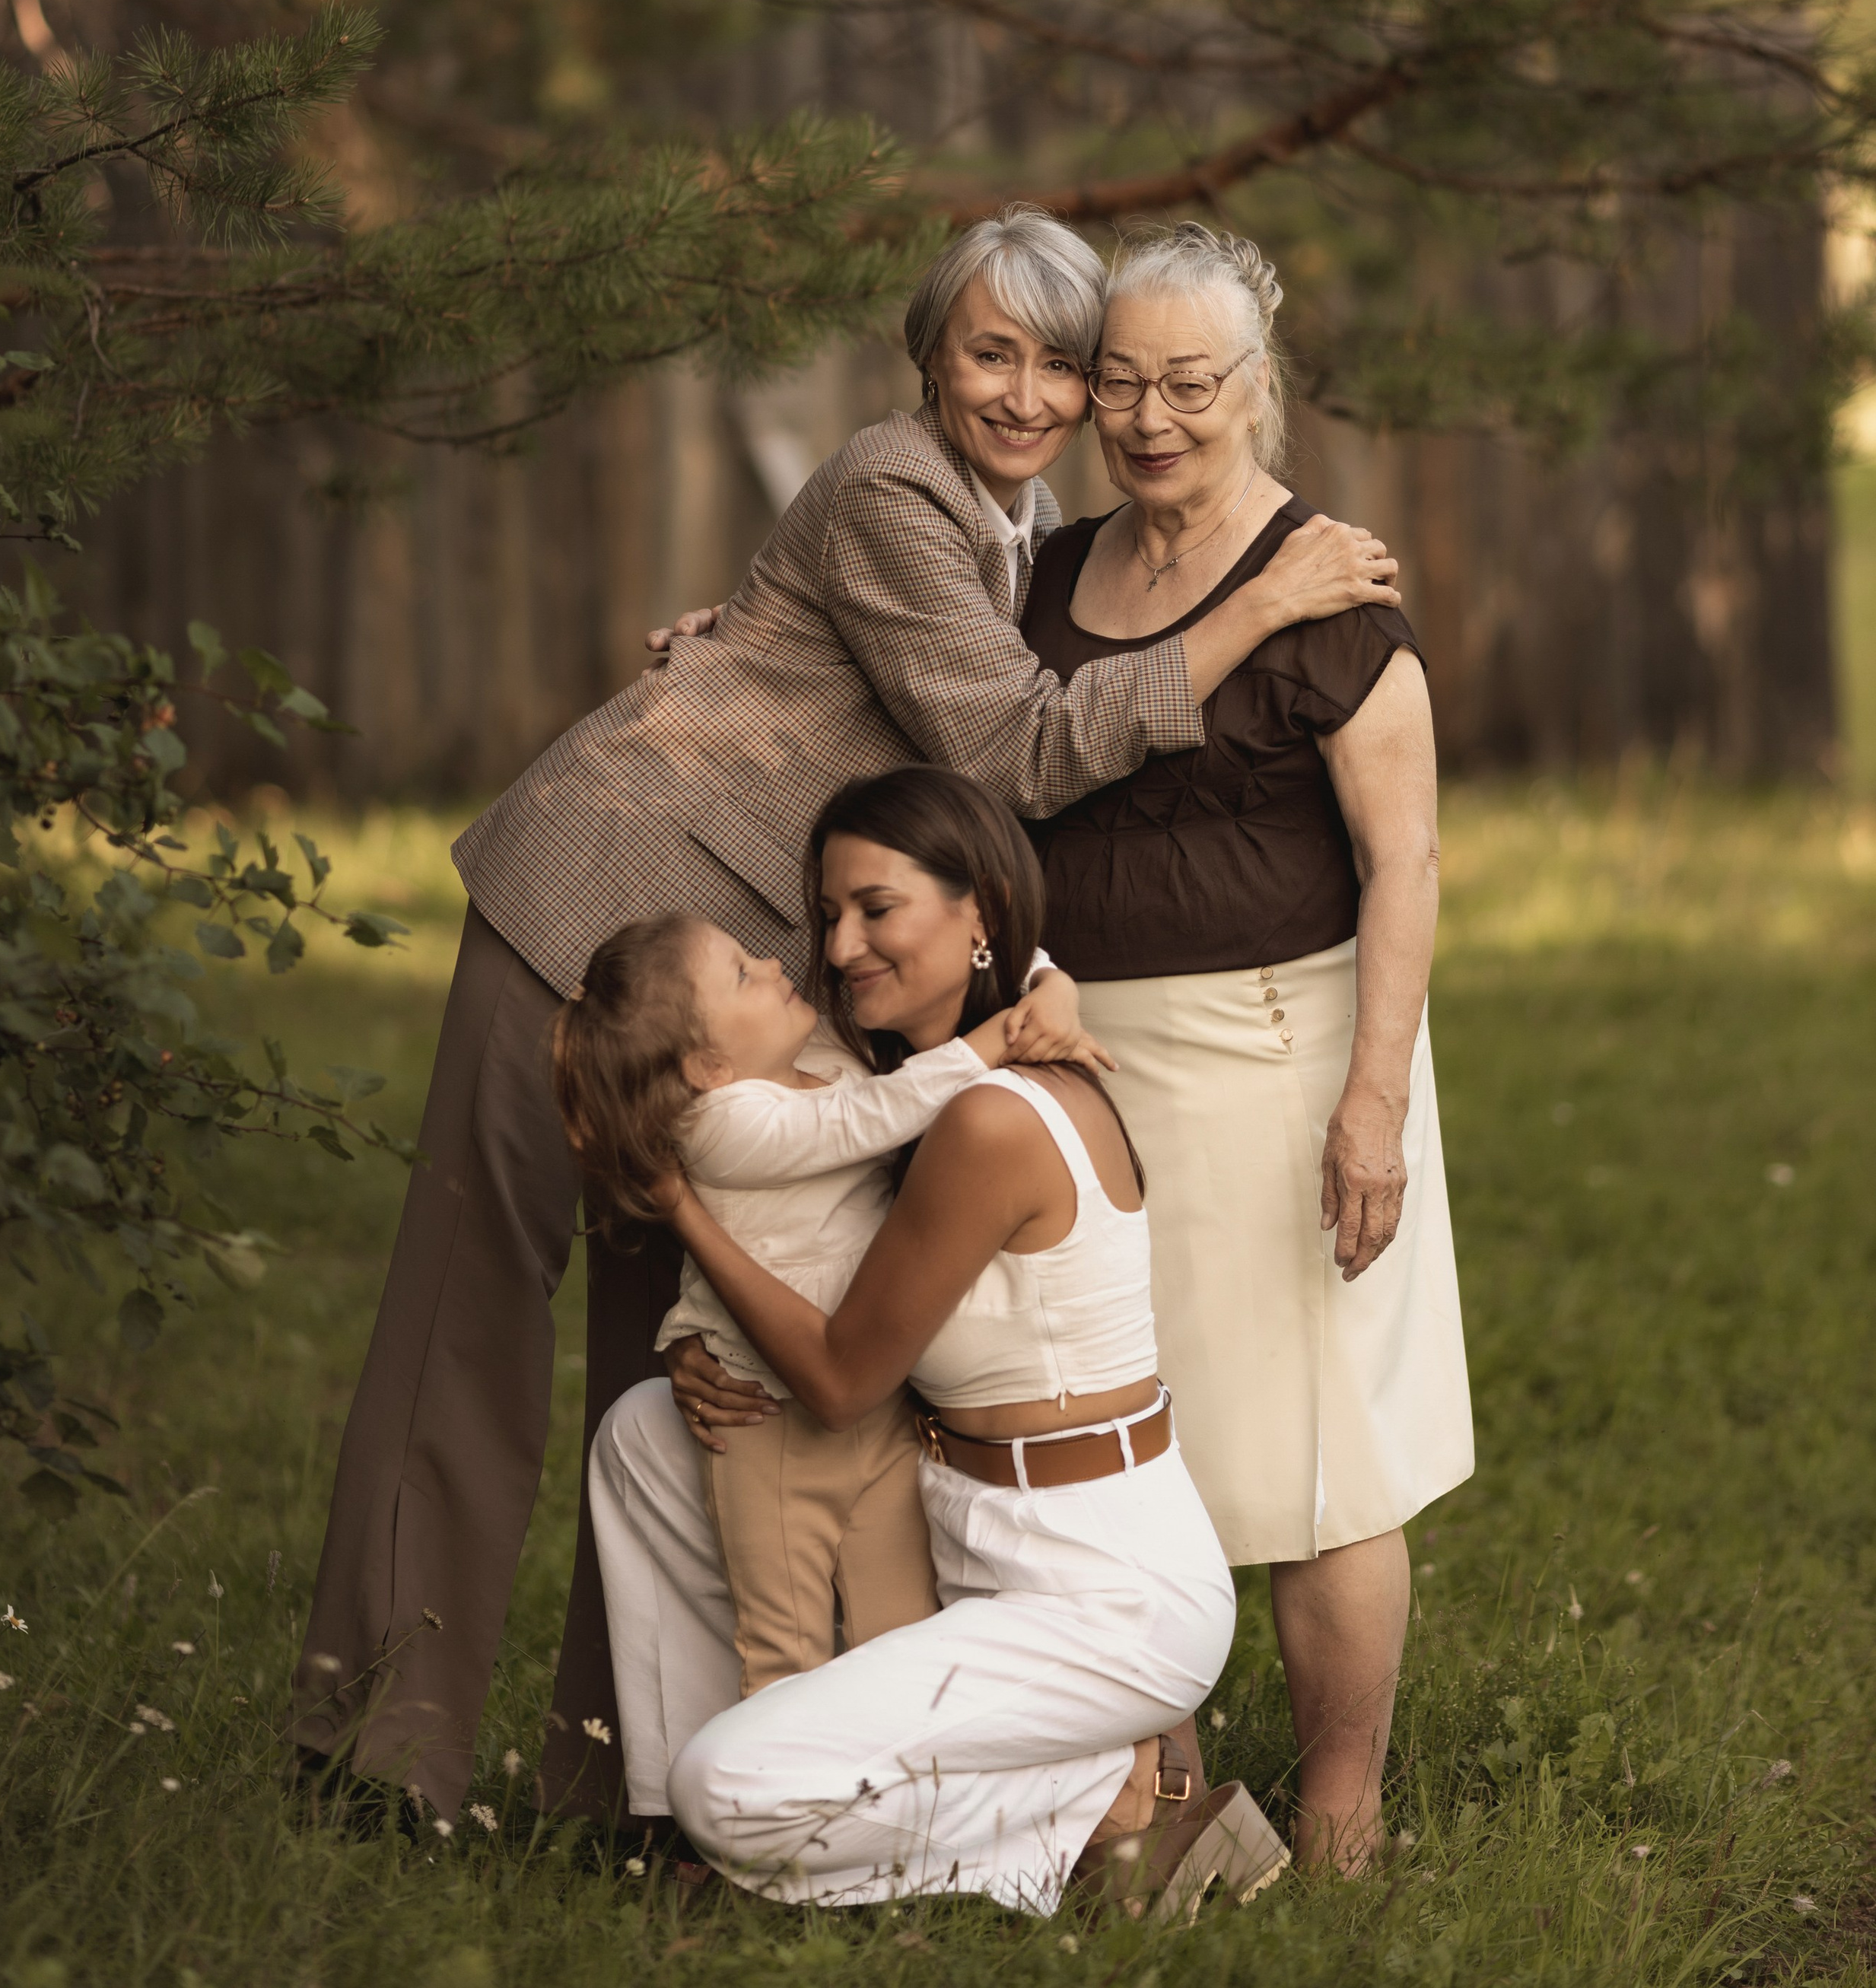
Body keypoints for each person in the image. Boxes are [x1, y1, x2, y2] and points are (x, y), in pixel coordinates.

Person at [291, 205, 1398, 1824]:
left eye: (1059, 366)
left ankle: (620, 1787)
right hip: (586, 905)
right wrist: (1256, 602)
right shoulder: (892, 484)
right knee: (470, 1307)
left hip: (749, 993)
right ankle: (376, 1759)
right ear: (927, 355)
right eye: (988, 353)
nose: (1025, 396)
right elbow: (1019, 749)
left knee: (682, 1379)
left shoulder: (1019, 541)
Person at [593, 769, 1287, 1915]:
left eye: (878, 908)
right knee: (643, 1433)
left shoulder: (988, 1118)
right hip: (968, 1518)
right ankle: (718, 1834)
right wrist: (693, 1341)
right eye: (827, 915)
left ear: (979, 916)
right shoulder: (897, 1083)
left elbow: (838, 1376)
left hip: (1098, 1587)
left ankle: (1109, 1809)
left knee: (726, 1789)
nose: (841, 943)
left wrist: (681, 1211)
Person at [1017, 221, 1474, 1873]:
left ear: (1253, 388)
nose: (1147, 416)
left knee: (1317, 1459)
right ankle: (1173, 1814)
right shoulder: (1042, 576)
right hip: (1078, 1073)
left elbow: (1402, 863)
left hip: (1285, 1061)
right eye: (1118, 382)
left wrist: (1368, 1104)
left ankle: (1339, 1816)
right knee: (1128, 1452)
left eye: (1185, 383)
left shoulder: (1331, 587)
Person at [552, 907, 1106, 1699]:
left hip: (882, 1411)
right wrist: (1000, 1042)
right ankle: (774, 1812)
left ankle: (901, 1811)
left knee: (905, 1633)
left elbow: (972, 955)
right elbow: (865, 1120)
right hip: (770, 1430)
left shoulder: (815, 1051)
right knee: (783, 1651)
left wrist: (1047, 980)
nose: (775, 966)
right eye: (743, 973)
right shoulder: (720, 1125)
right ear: (708, 1065)